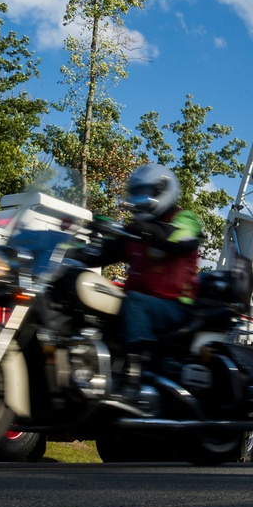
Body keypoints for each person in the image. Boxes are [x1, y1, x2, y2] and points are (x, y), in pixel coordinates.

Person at [71, 164, 203, 383]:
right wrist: (66, 250)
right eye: (135, 192)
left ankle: (139, 369)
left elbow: (179, 238)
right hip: (144, 306)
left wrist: (142, 230)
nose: (138, 198)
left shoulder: (184, 218)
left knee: (134, 302)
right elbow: (103, 253)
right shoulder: (135, 232)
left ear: (162, 191)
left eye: (145, 192)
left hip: (176, 307)